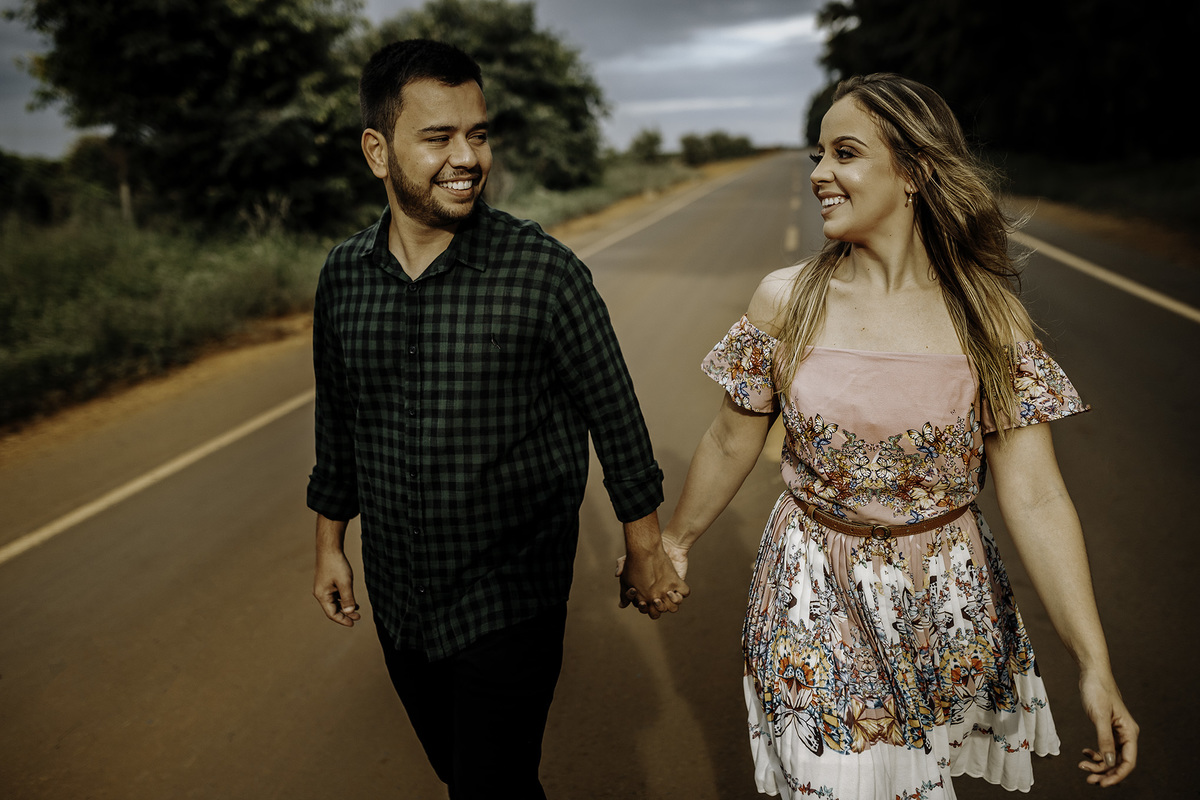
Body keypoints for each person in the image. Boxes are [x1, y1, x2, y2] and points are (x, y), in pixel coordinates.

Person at [650, 74, 1138, 797]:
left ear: (914, 172)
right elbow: (729, 440)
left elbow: (1036, 496)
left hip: (945, 604)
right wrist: (675, 543)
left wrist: (1095, 665)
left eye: (845, 154)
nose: (819, 173)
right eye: (818, 154)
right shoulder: (787, 299)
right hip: (810, 590)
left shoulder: (987, 315)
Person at [306, 38, 688, 798]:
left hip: (511, 593)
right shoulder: (345, 276)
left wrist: (645, 546)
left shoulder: (542, 273)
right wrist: (329, 547)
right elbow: (338, 424)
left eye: (477, 134)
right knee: (466, 775)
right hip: (399, 593)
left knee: (488, 783)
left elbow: (615, 417)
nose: (467, 158)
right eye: (438, 137)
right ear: (378, 152)